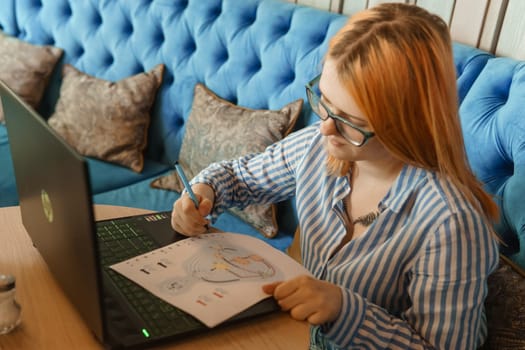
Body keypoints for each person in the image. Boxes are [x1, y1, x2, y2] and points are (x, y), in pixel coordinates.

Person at [171, 3, 499, 349]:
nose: (325, 126)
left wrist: (344, 311)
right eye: (324, 101)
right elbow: (240, 178)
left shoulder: (450, 222)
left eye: (350, 120)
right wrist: (203, 192)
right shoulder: (320, 145)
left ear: (408, 122)